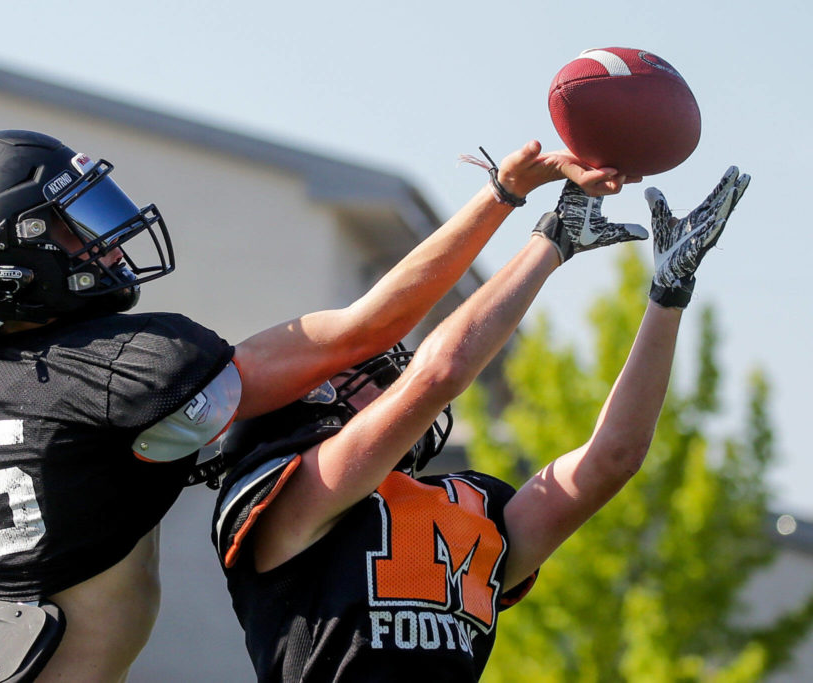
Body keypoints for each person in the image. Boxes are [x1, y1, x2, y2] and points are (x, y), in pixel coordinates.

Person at [0, 128, 630, 682]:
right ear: (13, 270)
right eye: (67, 228)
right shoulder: (116, 373)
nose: (102, 245)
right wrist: (501, 199)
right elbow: (367, 328)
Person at [212, 168, 750, 681]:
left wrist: (668, 295)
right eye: (366, 371)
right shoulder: (288, 497)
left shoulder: (466, 503)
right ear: (314, 401)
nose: (390, 372)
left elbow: (615, 457)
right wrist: (553, 240)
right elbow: (439, 374)